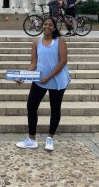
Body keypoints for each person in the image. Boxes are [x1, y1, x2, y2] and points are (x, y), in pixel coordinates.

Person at [15, 17, 70, 151]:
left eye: (50, 25)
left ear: (55, 28)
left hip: (57, 81)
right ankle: (31, 139)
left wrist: (49, 77)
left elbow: (63, 62)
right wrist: (24, 76)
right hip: (40, 80)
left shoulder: (60, 41)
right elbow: (34, 63)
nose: (47, 26)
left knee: (55, 108)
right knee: (31, 106)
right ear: (42, 26)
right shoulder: (36, 42)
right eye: (45, 24)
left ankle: (50, 138)